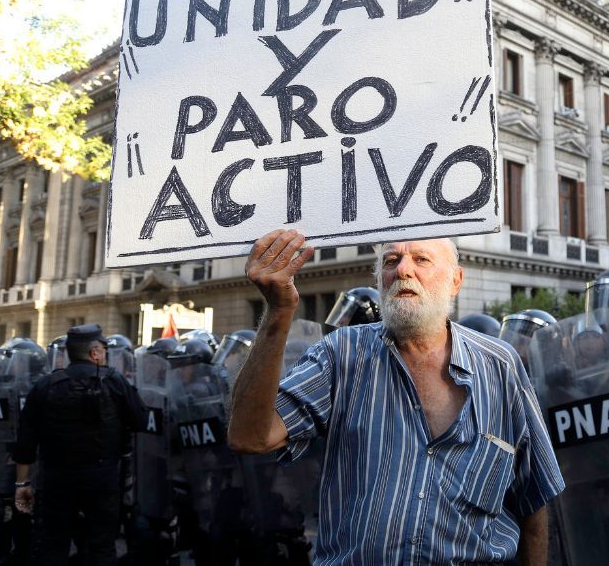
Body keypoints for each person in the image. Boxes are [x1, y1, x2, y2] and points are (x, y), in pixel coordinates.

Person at [228, 230, 565, 565]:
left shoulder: (500, 367)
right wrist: (278, 311)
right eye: (391, 260)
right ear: (379, 278)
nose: (403, 270)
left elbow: (533, 498)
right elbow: (250, 436)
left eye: (421, 259)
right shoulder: (341, 354)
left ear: (456, 281)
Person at [12, 323, 146, 565]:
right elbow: (140, 420)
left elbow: (26, 440)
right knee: (103, 547)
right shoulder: (115, 382)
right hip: (102, 479)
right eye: (103, 349)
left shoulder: (45, 385)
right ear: (95, 352)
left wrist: (22, 483)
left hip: (56, 480)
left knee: (53, 545)